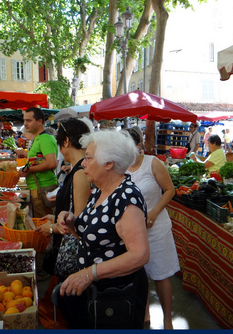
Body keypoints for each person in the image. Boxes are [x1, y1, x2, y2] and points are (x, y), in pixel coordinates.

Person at [54, 130, 149, 330]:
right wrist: (72, 222)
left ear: (109, 163)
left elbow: (140, 255)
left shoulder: (126, 197)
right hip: (98, 293)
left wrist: (89, 274)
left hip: (118, 295)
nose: (83, 163)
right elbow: (95, 235)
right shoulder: (100, 190)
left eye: (89, 158)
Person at [125, 126, 180, 329]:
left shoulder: (152, 163)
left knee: (160, 273)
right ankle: (144, 313)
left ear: (138, 146)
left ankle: (167, 320)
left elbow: (169, 190)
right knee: (137, 273)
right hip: (132, 230)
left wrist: (154, 212)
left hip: (156, 227)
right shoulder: (119, 167)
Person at [38, 119, 91, 284]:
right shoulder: (78, 169)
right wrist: (54, 219)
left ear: (66, 141)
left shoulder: (81, 173)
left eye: (60, 145)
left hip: (76, 257)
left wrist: (52, 228)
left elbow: (80, 222)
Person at [17, 107, 60, 219]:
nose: (25, 124)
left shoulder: (45, 139)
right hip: (38, 187)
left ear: (40, 121)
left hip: (42, 188)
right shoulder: (38, 138)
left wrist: (28, 170)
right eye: (24, 120)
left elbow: (52, 163)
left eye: (29, 120)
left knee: (44, 224)